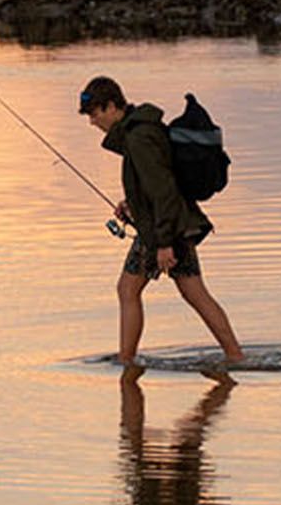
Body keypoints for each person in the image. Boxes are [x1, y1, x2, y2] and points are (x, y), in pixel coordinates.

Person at [81, 75, 247, 369]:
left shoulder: (138, 137)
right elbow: (157, 183)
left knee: (129, 290)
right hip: (170, 225)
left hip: (163, 230)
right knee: (193, 292)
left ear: (110, 107)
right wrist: (132, 204)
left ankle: (127, 363)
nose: (92, 122)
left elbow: (164, 189)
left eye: (94, 114)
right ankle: (235, 355)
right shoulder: (142, 131)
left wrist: (165, 243)